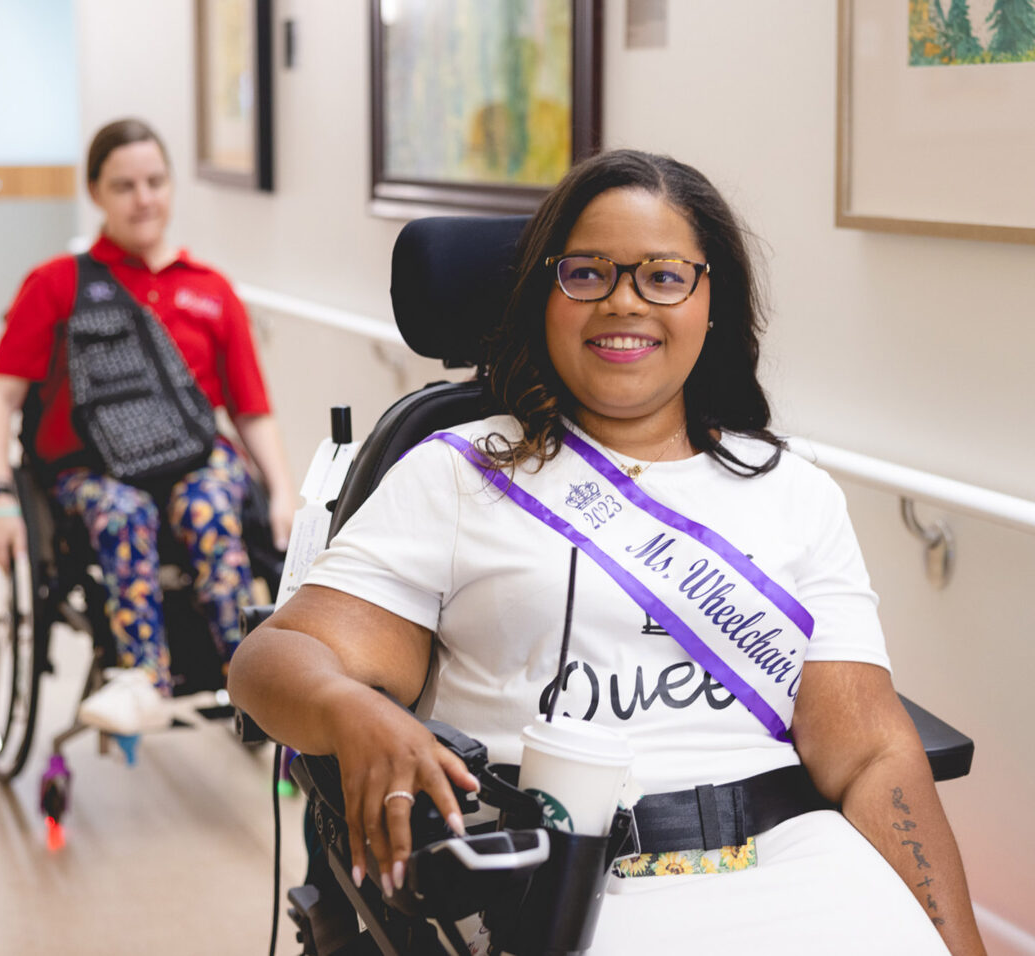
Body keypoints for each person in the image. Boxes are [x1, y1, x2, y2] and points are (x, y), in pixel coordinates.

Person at [227, 151, 987, 953]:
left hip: (796, 859)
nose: (624, 303)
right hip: (564, 881)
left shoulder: (795, 491)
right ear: (544, 295)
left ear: (710, 301)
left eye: (663, 277)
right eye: (587, 273)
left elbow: (870, 754)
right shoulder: (458, 473)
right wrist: (352, 710)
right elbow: (270, 661)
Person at [0, 118, 294, 738]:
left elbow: (252, 410)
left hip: (196, 461)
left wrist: (281, 492)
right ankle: (144, 677)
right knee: (123, 511)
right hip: (91, 470)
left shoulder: (211, 291)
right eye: (124, 185)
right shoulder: (56, 285)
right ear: (95, 193)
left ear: (171, 187)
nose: (143, 198)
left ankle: (250, 679)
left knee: (210, 507)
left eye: (154, 181)